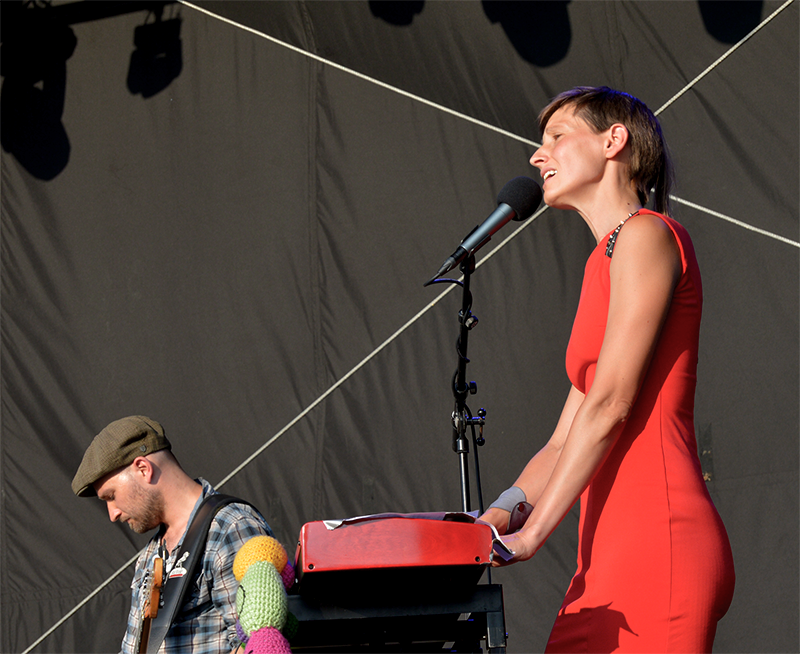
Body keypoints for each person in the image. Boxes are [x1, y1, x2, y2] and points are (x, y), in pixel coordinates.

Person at [480, 87, 735, 652]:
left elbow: (612, 402)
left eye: (557, 137)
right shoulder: (603, 259)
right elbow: (560, 441)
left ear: (613, 140)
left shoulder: (648, 234)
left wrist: (534, 534)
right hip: (604, 559)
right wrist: (499, 514)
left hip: (659, 539)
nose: (536, 156)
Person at [72, 415, 273, 654]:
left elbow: (255, 643)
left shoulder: (230, 527)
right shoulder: (150, 556)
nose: (112, 514)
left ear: (143, 469)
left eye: (111, 496)